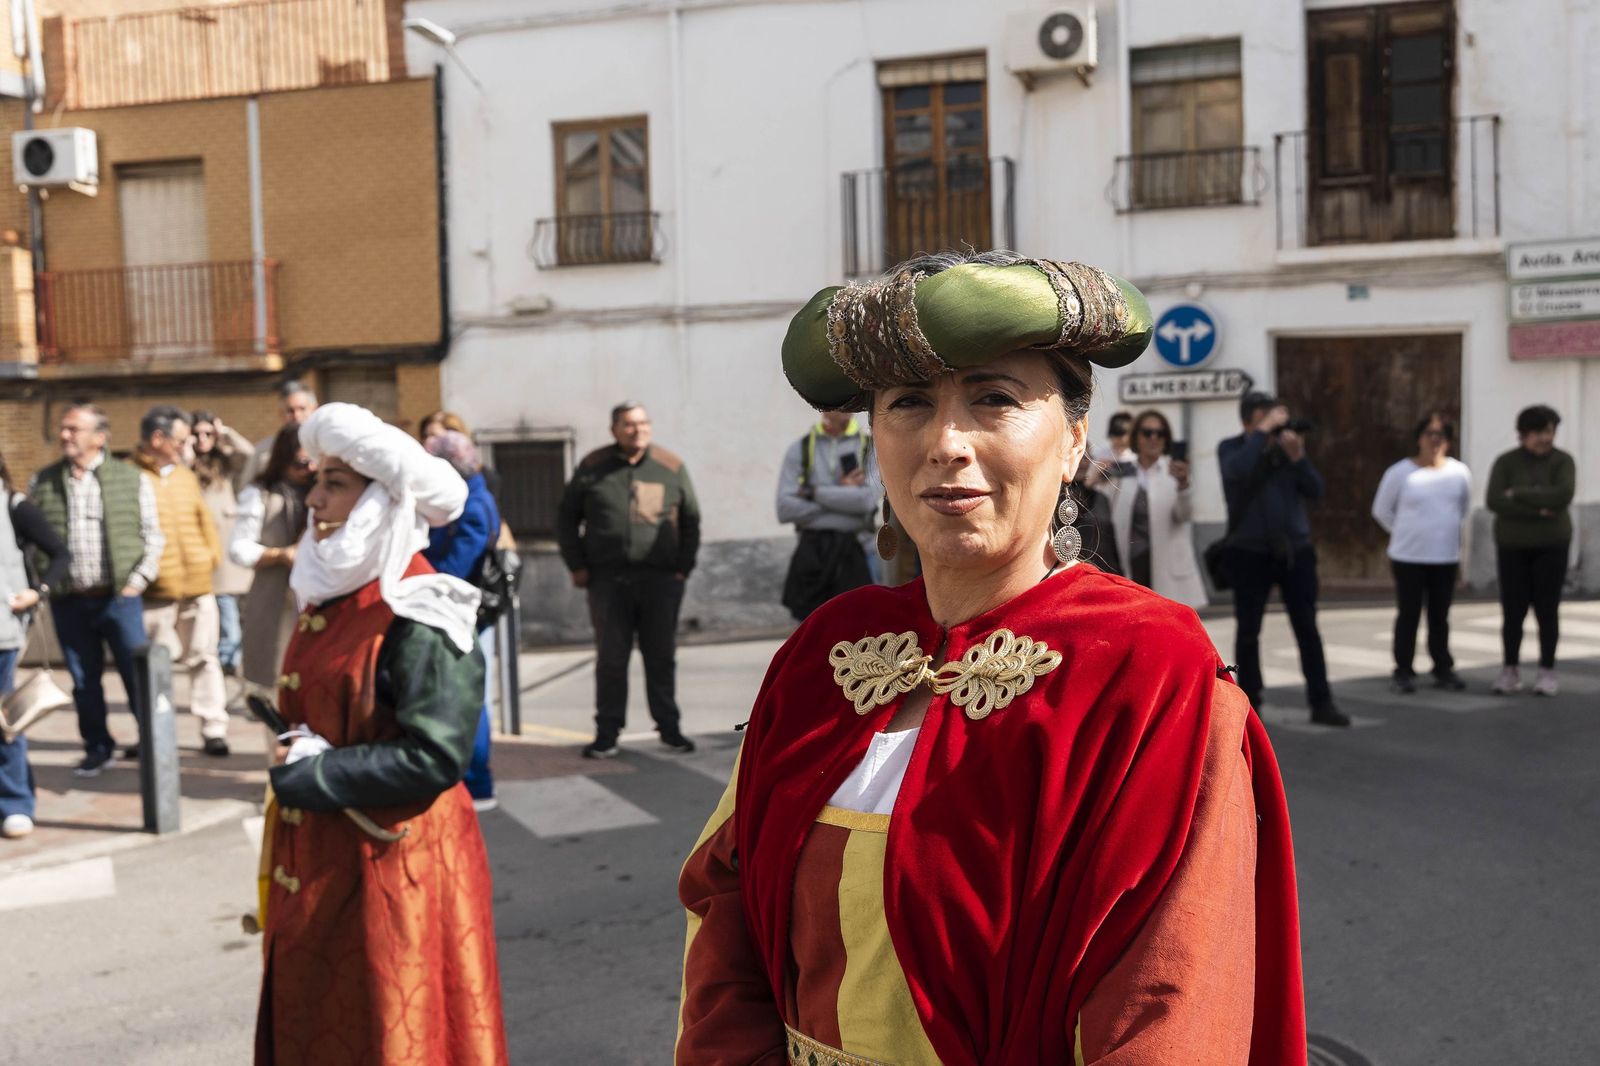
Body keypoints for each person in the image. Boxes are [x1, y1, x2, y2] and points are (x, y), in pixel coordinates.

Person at [678, 251, 1305, 1064]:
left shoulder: (1151, 674)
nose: (946, 442)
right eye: (908, 403)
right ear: (874, 439)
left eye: (994, 399)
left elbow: (1168, 1001)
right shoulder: (821, 656)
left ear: (1074, 440)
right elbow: (725, 921)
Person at [255, 403, 506, 1065]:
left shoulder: (422, 610)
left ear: (382, 500)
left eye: (334, 483)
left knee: (397, 1036)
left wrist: (314, 771)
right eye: (317, 481)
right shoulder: (335, 598)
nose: (313, 499)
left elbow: (436, 754)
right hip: (332, 862)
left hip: (397, 868)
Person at [557, 402, 701, 759]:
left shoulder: (670, 466)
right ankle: (607, 734)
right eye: (628, 424)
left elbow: (691, 520)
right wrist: (577, 565)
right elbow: (565, 519)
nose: (636, 430)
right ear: (614, 430)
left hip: (660, 581)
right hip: (608, 582)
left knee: (661, 657)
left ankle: (669, 729)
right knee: (611, 659)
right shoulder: (593, 467)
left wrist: (682, 566)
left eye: (642, 423)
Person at [30, 404, 164, 776]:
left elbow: (153, 536)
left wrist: (137, 582)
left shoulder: (130, 478)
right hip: (70, 601)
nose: (65, 435)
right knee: (84, 681)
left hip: (119, 598)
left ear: (99, 437)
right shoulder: (43, 482)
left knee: (137, 677)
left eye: (74, 429)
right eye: (64, 428)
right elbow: (33, 542)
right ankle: (98, 748)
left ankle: (154, 747)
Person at [1218, 392, 1349, 727]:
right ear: (1249, 421)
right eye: (1266, 420)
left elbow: (1317, 491)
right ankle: (1251, 707)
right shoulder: (1232, 448)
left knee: (1307, 627)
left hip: (1295, 551)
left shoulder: (1287, 452)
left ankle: (1321, 702)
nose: (1276, 427)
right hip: (1249, 552)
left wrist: (1299, 458)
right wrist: (1262, 433)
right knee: (1249, 632)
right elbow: (1235, 472)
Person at [133, 406, 230, 756]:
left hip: (198, 587)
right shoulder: (131, 477)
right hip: (156, 593)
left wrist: (211, 557)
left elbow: (205, 522)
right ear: (157, 439)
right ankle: (154, 734)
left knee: (205, 658)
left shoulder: (186, 475)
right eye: (179, 439)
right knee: (154, 667)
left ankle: (213, 729)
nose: (185, 446)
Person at [423, 430, 502, 811]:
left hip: (462, 610)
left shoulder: (472, 502)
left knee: (469, 698)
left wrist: (419, 572)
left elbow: (456, 568)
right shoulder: (472, 496)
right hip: (459, 609)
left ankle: (478, 784)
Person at [1371, 411, 1472, 694]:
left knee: (1440, 616)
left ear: (1449, 441)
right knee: (1409, 614)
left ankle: (1443, 667)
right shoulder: (1400, 472)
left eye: (1441, 435)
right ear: (1419, 438)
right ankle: (1403, 670)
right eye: (1429, 434)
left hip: (1445, 557)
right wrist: (1404, 532)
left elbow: (1462, 509)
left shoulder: (1459, 472)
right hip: (1409, 557)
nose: (1435, 440)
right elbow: (1381, 511)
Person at [0, 451, 71, 840]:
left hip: (3, 632)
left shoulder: (14, 506)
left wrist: (36, 591)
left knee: (5, 720)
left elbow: (61, 554)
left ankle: (15, 803)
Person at [1486, 404, 1575, 697]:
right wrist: (1541, 510)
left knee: (1547, 610)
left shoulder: (1563, 462)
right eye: (1539, 432)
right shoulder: (1506, 462)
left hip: (1551, 546)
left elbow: (1562, 495)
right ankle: (1510, 669)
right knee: (1513, 611)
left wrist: (1520, 494)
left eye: (1550, 431)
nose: (1546, 438)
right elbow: (1495, 500)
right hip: (1513, 547)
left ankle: (1547, 670)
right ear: (1524, 434)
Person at [230, 426, 314, 694]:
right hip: (275, 597)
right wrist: (280, 554)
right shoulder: (261, 493)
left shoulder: (326, 489)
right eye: (302, 463)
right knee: (276, 683)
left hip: (318, 598)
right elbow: (239, 548)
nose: (309, 469)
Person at [776, 411, 880, 619]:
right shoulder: (801, 449)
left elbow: (865, 501)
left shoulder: (869, 448)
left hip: (859, 550)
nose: (839, 405)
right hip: (812, 554)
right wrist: (842, 497)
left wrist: (812, 492)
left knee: (862, 630)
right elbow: (784, 508)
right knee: (810, 636)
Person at [1107, 408, 1206, 607]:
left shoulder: (1174, 473)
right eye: (1147, 432)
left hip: (1165, 568)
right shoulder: (1123, 471)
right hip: (1131, 566)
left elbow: (1184, 515)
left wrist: (1183, 484)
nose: (1154, 438)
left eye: (1160, 434)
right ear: (1136, 437)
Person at [190, 411, 255, 676]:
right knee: (216, 605)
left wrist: (224, 432)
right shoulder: (187, 464)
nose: (202, 439)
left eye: (208, 433)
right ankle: (223, 656)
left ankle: (229, 657)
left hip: (226, 546)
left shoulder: (225, 463)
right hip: (200, 546)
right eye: (196, 434)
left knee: (227, 602)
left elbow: (250, 455)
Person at [241, 379, 318, 486]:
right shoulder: (264, 450)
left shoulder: (326, 446)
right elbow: (247, 488)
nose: (297, 416)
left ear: (314, 409)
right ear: (281, 414)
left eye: (302, 409)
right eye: (290, 411)